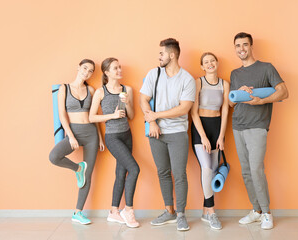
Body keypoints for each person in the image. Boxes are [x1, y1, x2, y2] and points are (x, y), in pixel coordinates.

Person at [229, 32, 289, 230]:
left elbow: (283, 91)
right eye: (238, 46)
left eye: (245, 45)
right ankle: (256, 211)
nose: (241, 49)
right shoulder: (235, 74)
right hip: (238, 125)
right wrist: (240, 92)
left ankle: (267, 213)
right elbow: (231, 101)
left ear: (251, 46)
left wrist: (261, 100)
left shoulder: (266, 68)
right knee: (246, 172)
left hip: (257, 125)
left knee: (256, 169)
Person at [140, 38, 196, 231]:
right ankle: (169, 211)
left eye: (162, 53)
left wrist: (156, 115)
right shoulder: (153, 74)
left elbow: (184, 108)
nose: (159, 57)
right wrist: (153, 122)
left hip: (177, 133)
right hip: (155, 133)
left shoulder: (187, 79)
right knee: (163, 172)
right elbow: (143, 99)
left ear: (172, 55)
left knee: (179, 174)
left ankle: (181, 214)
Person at [49, 59, 105, 225]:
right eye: (84, 68)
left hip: (91, 134)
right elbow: (62, 114)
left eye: (90, 71)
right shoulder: (64, 89)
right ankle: (77, 168)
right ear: (78, 68)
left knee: (87, 176)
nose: (86, 72)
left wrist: (100, 138)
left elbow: (94, 116)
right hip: (74, 132)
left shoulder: (91, 89)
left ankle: (78, 212)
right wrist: (71, 136)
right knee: (54, 156)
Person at [89, 57, 140, 228]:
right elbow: (91, 117)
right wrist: (112, 115)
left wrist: (128, 104)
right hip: (113, 137)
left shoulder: (127, 89)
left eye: (120, 67)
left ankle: (113, 212)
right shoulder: (100, 92)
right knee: (134, 169)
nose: (119, 70)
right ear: (106, 72)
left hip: (127, 135)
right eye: (115, 68)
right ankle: (129, 210)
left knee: (121, 173)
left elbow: (132, 116)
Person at [190, 52, 229, 230]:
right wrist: (204, 136)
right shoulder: (198, 82)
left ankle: (205, 211)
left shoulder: (224, 84)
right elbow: (193, 112)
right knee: (206, 168)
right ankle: (212, 212)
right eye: (206, 62)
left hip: (217, 127)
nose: (210, 64)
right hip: (201, 128)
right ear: (202, 66)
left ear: (217, 62)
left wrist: (221, 136)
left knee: (213, 170)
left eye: (212, 60)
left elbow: (226, 111)